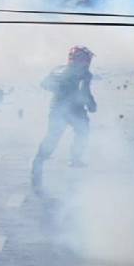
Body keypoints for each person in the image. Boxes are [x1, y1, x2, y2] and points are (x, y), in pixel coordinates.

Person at [31, 46, 97, 186]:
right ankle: (75, 159)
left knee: (53, 136)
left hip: (56, 107)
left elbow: (44, 83)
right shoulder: (85, 73)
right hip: (74, 109)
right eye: (86, 59)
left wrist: (60, 89)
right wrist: (92, 105)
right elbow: (85, 91)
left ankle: (38, 161)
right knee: (83, 131)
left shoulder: (58, 69)